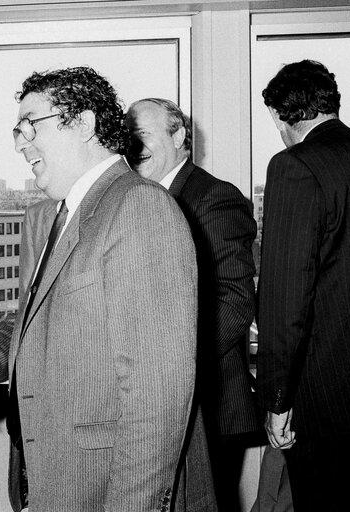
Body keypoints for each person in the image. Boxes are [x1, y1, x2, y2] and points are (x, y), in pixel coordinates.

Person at [0, 66, 198, 511]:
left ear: (83, 123)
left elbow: (156, 395)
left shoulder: (139, 206)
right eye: (16, 130)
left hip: (105, 491)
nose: (21, 142)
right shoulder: (53, 217)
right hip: (51, 477)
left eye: (31, 124)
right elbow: (36, 320)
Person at [125, 98, 261, 512]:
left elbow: (234, 303)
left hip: (210, 407)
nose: (134, 147)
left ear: (179, 135)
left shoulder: (213, 197)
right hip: (154, 408)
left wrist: (164, 366)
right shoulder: (136, 200)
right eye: (127, 138)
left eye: (143, 134)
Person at [256, 59, 350, 511]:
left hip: (327, 400)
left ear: (280, 115)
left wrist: (277, 397)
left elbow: (285, 299)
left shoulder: (295, 166)